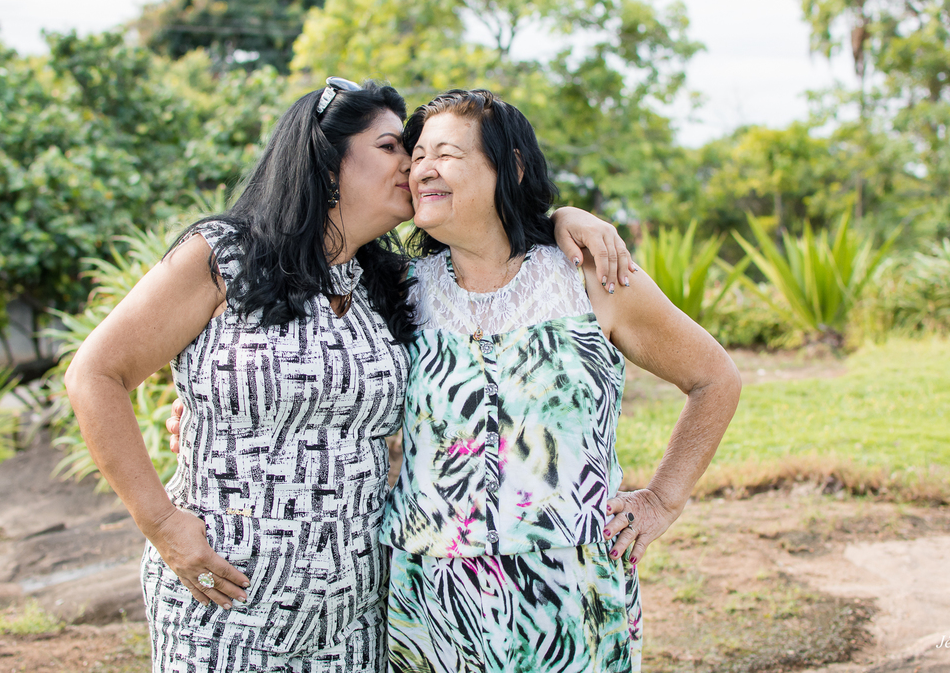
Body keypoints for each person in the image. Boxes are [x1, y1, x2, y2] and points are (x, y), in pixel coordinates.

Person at [64, 78, 635, 673]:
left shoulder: (390, 284)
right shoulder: (227, 256)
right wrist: (161, 522)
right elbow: (96, 374)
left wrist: (563, 218)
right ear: (327, 161)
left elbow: (489, 258)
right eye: (392, 148)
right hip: (227, 597)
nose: (413, 167)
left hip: (359, 611)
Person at [381, 90, 742, 673]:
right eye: (417, 155)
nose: (422, 168)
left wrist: (662, 499)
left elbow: (714, 378)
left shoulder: (590, 277)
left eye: (445, 154)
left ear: (513, 167)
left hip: (572, 594)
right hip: (430, 598)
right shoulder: (397, 290)